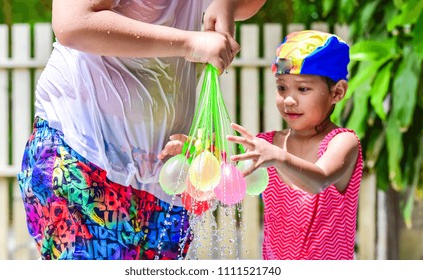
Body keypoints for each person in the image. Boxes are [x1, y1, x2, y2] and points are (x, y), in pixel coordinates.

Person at [17, 0, 266, 260]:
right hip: (84, 153)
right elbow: (73, 23)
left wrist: (227, 4)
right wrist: (190, 43)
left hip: (165, 176)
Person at [226, 30, 364, 260]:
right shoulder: (268, 144)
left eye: (302, 89)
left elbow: (319, 179)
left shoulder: (342, 142)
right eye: (282, 88)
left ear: (337, 92)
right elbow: (227, 167)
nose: (288, 100)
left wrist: (278, 157)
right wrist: (195, 153)